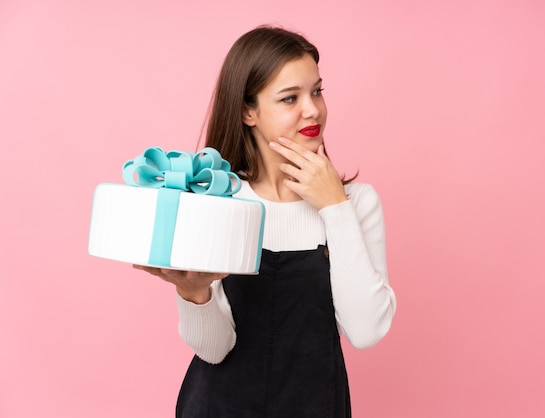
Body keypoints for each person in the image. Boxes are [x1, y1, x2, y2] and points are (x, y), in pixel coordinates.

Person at [135, 25, 397, 417]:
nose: (312, 109)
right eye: (290, 98)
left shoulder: (356, 203)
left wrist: (333, 207)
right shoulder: (216, 201)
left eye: (317, 91)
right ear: (248, 111)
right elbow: (214, 348)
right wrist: (194, 294)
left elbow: (366, 331)